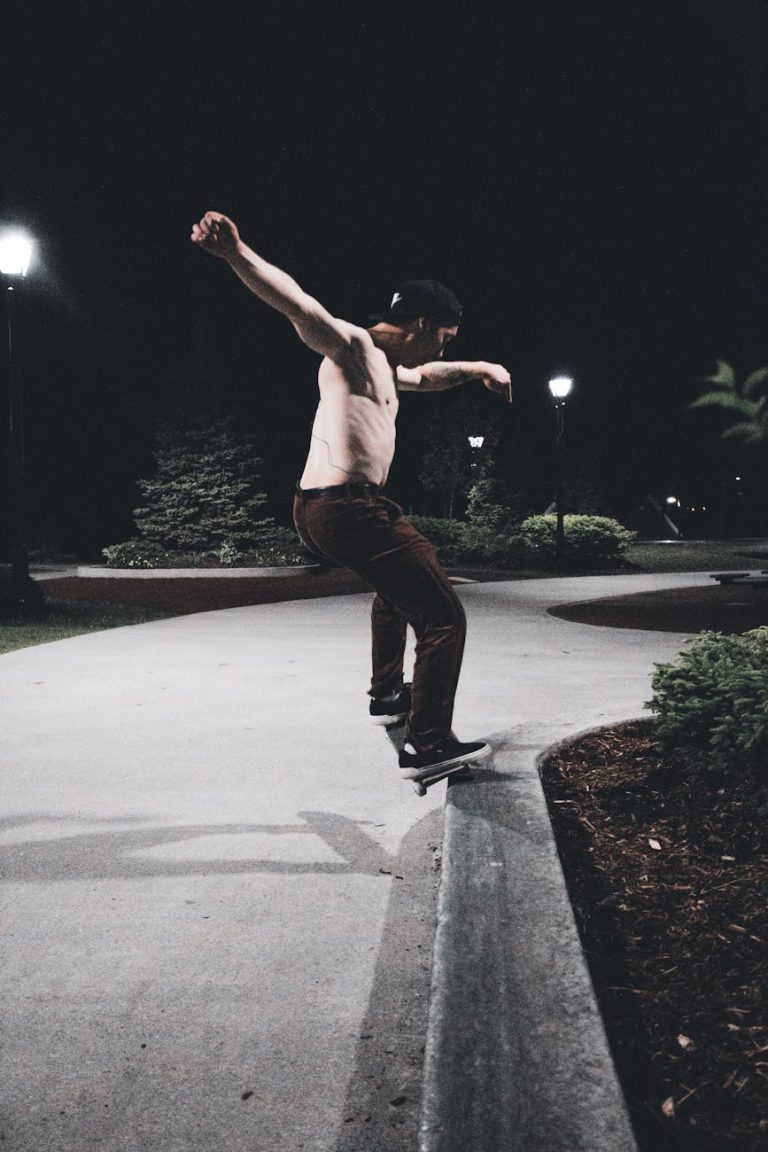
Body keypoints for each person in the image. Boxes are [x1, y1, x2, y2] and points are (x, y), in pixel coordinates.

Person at [191, 210, 512, 780]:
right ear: (421, 322)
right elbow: (298, 305)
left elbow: (429, 379)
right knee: (443, 617)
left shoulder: (386, 369)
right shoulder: (354, 347)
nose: (441, 353)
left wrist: (480, 366)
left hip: (327, 507)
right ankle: (427, 746)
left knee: (396, 588)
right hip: (346, 507)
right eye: (444, 339)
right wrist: (236, 253)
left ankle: (387, 694)